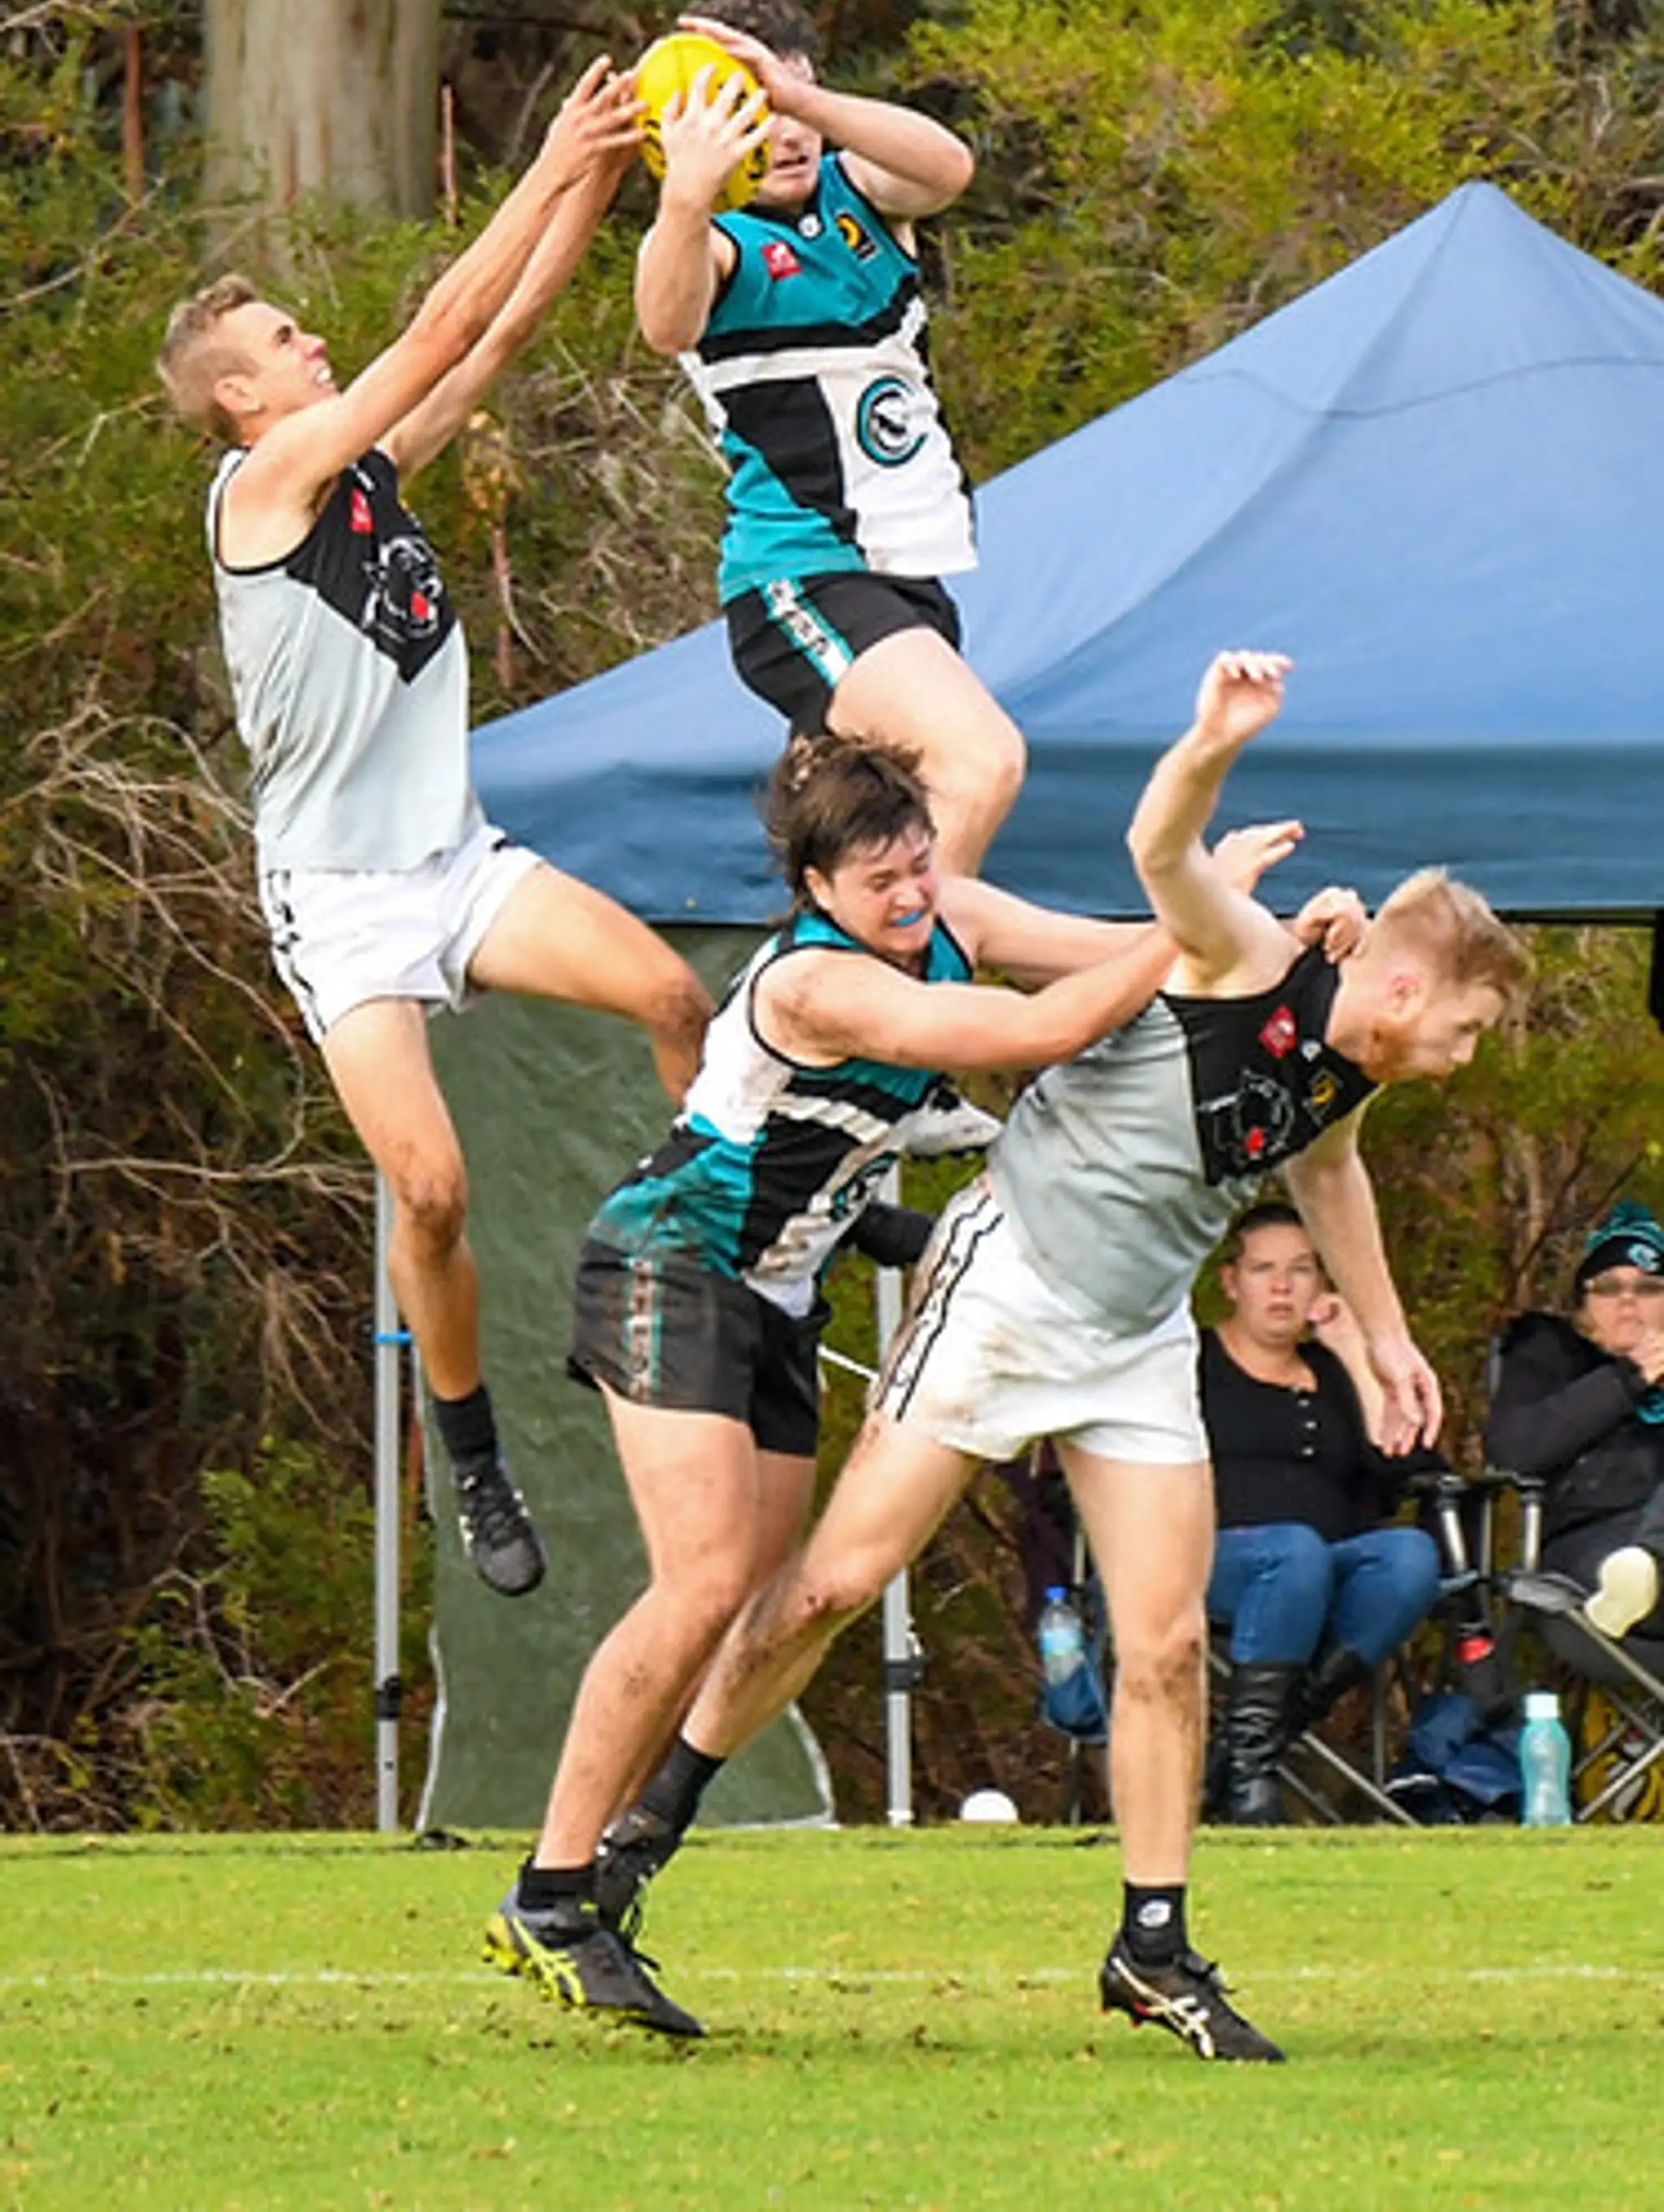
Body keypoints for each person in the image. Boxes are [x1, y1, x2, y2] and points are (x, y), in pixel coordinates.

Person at [594, 650, 1529, 2063]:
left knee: (1159, 1643)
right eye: (1460, 1030)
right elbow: (1159, 847)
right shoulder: (1250, 960)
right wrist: (1212, 739)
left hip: (1137, 1332)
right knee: (832, 1587)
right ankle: (635, 1841)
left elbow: (1325, 1167)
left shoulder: (1345, 1060)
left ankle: (1151, 1945)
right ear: (1403, 986)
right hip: (1007, 1286)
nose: (1459, 1058)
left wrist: (1388, 1340)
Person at [482, 730, 1312, 2035]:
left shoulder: (948, 911)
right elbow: (1044, 1025)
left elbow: (1120, 965)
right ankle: (555, 1884)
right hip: (670, 1265)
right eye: (882, 880)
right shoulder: (816, 984)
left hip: (778, 1298)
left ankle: (619, 1854)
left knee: (770, 1597)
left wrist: (1257, 944)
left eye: (922, 864)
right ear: (816, 888)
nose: (915, 893)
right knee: (700, 1582)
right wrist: (1201, 900)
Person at [157, 59, 710, 1600]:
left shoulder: (366, 471)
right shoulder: (260, 483)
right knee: (438, 1190)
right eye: (283, 339)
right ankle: (469, 1456)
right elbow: (441, 326)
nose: (309, 340)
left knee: (676, 998)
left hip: (456, 867)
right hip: (340, 904)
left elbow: (506, 331)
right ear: (242, 400)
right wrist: (544, 156)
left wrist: (608, 169)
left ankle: (718, 1246)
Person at [634, 0, 1025, 880]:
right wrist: (683, 198)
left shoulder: (862, 192)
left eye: (790, 103)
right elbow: (665, 323)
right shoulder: (719, 239)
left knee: (861, 845)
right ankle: (921, 993)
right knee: (980, 762)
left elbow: (947, 168)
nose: (783, 132)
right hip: (801, 578)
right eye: (750, 112)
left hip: (906, 574)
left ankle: (830, 1001)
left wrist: (794, 93)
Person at [1200, 1199, 1444, 1826]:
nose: (1282, 1286)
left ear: (1323, 1284)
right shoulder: (1191, 1364)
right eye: (1263, 1269)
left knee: (1411, 1555)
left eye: (1302, 1269)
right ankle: (1251, 1775)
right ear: (1232, 1280)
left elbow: (1410, 1467)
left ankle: (1245, 1750)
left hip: (1325, 1567)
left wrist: (1356, 1354)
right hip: (1210, 1560)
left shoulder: (1334, 1372)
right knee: (1293, 1550)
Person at [1487, 1199, 1664, 1664]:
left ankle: (1654, 1568)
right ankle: (1643, 1573)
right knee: (1625, 1570)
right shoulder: (1550, 1356)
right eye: (1609, 1287)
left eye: (1648, 1287)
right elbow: (1514, 1451)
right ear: (1584, 1304)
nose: (1628, 1300)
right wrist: (1627, 1379)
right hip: (1591, 1559)